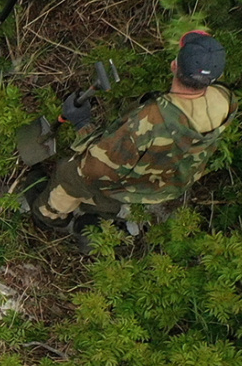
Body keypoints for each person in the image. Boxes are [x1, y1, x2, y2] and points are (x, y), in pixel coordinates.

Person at [31, 30, 231, 229]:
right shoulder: (225, 100)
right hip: (171, 183)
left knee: (68, 172)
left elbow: (95, 168)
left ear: (174, 65)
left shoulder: (150, 121)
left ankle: (49, 216)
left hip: (131, 186)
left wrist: (82, 124)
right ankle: (97, 215)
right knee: (107, 187)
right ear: (217, 77)